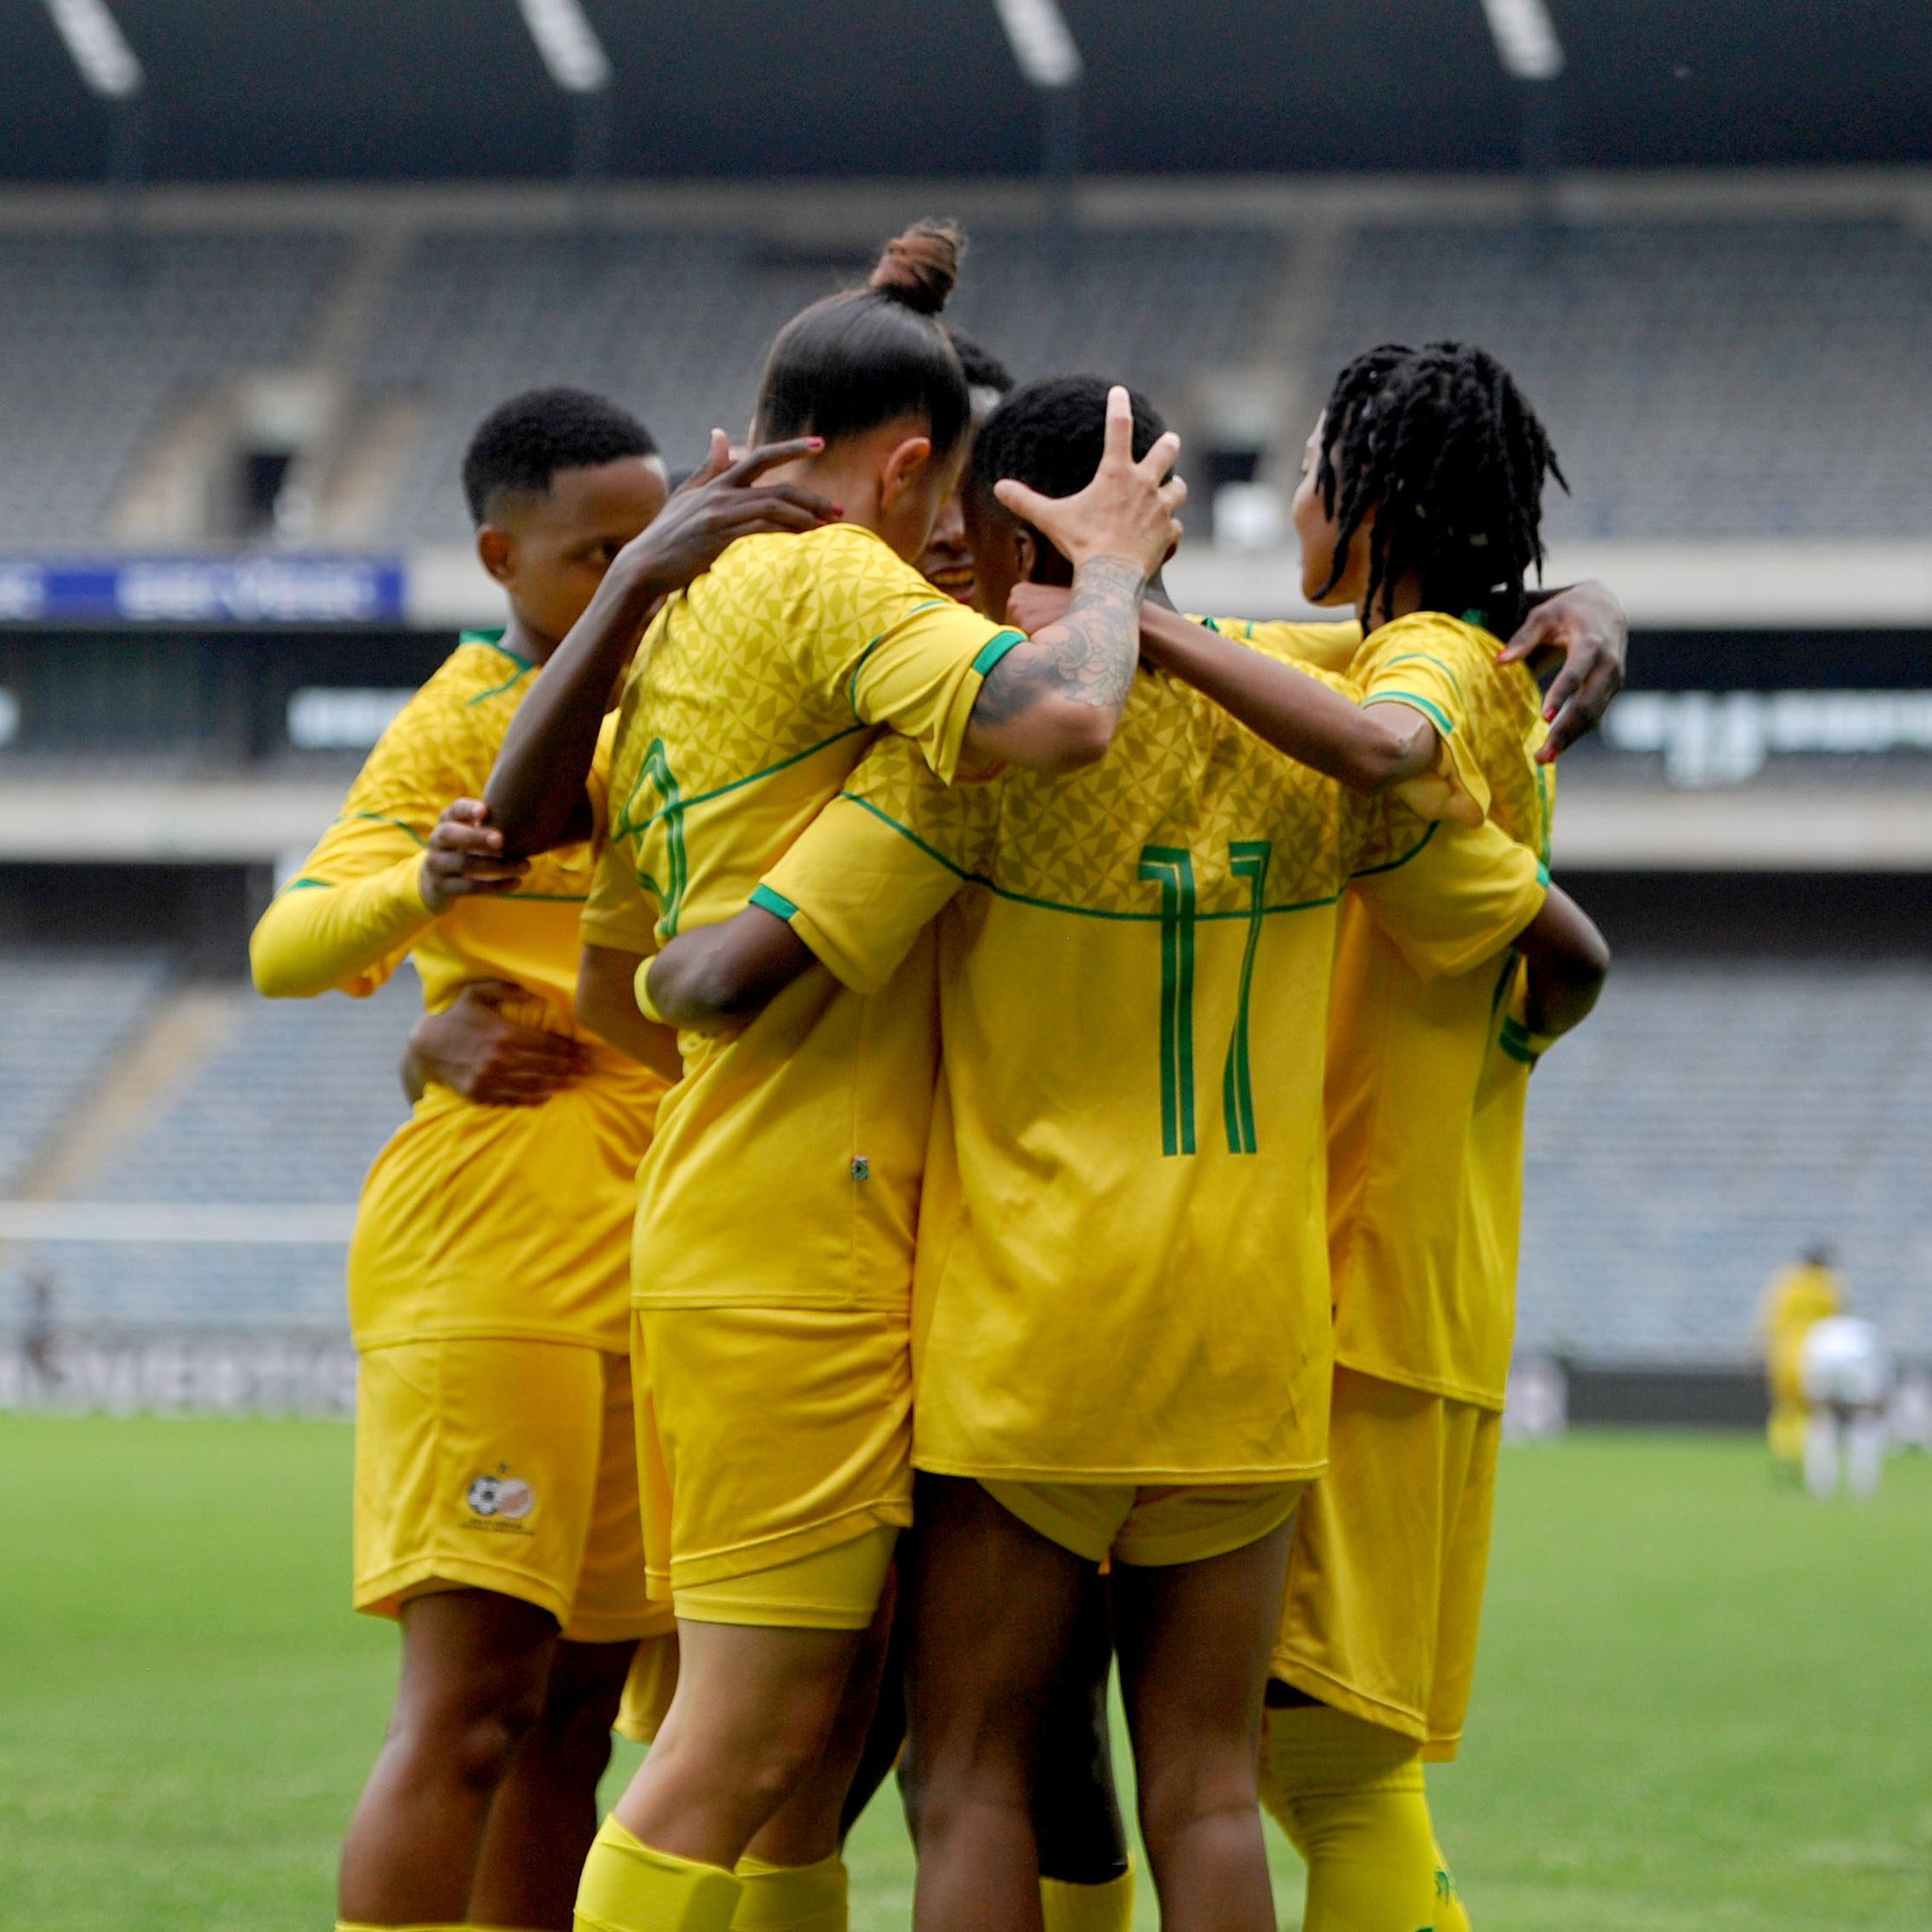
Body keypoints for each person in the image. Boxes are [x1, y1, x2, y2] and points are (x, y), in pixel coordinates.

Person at [643, 374, 1607, 1932]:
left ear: (1001, 525)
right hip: (1251, 1334)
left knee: (970, 1769)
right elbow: (1542, 933)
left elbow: (744, 968)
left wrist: (648, 956)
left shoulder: (984, 758)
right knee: (1208, 1788)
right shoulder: (1314, 738)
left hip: (1031, 1339)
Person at [471, 225, 1181, 1932]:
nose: (950, 549)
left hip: (746, 1217)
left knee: (806, 1751)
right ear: (916, 464)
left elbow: (624, 974)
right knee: (752, 1736)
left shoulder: (692, 628)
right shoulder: (834, 587)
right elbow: (1066, 719)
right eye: (948, 511)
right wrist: (1107, 578)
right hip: (807, 1246)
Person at [1026, 341, 1605, 1932]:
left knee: (1328, 1765)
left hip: (1368, 1282)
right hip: (1395, 1266)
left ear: (1373, 502)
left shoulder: (1427, 664)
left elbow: (1386, 744)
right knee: (1287, 1757)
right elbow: (1269, 657)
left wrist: (1128, 614)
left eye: (1304, 474)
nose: (1283, 502)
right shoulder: (1413, 646)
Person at [250, 387, 831, 1932]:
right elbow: (284, 943)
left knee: (579, 1723)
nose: (640, 571)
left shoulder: (689, 704)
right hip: (494, 1256)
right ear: (502, 558)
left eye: (658, 538)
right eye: (598, 553)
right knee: (472, 1712)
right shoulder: (460, 718)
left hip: (662, 1258)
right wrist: (418, 900)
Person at [1759, 1245, 1844, 1470]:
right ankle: (1809, 1457)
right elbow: (1838, 1323)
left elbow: (1772, 1321)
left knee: (1785, 1408)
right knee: (1815, 1410)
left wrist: (1764, 1354)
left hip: (1786, 1354)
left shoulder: (1789, 1283)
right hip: (1818, 1356)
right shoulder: (1830, 1286)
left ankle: (1786, 1453)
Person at [1799, 1310, 1892, 1499]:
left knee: (1822, 1419)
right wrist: (1875, 1402)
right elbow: (1883, 1370)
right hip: (1857, 1360)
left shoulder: (1821, 1327)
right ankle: (1863, 1486)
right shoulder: (1866, 1329)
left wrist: (1814, 1397)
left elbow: (1807, 1358)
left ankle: (1820, 1485)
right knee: (1864, 1420)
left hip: (1822, 1359)